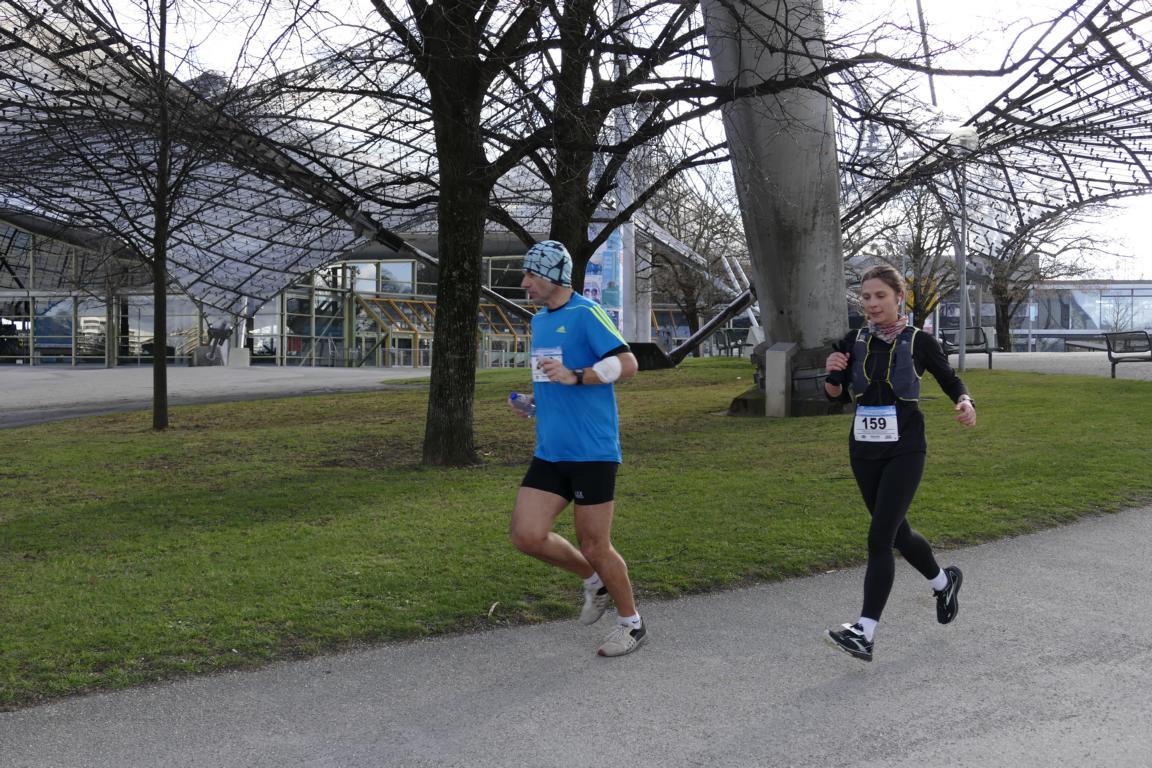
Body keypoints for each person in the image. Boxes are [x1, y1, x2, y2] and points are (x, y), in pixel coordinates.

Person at [822, 265, 976, 662]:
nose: (872, 304)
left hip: (905, 448)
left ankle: (864, 632)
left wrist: (965, 401)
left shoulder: (918, 341)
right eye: (866, 297)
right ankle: (943, 583)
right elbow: (834, 395)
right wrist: (833, 375)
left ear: (899, 297)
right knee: (897, 531)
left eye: (880, 296)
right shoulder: (852, 340)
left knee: (880, 538)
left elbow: (949, 379)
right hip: (863, 450)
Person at [507, 240, 646, 657]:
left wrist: (578, 376)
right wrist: (535, 405)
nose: (524, 282)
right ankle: (594, 579)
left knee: (595, 544)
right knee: (527, 535)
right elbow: (553, 379)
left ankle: (632, 625)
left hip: (592, 451)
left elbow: (628, 364)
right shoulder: (540, 322)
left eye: (531, 274)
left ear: (554, 275)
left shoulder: (586, 313)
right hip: (551, 449)